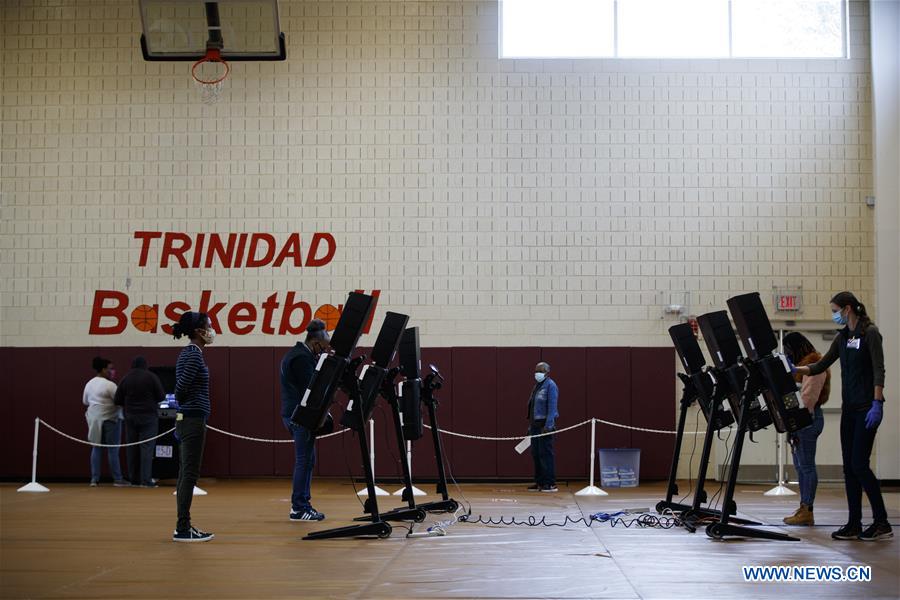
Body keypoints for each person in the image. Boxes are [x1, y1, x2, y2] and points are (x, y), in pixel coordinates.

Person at [795, 292, 892, 541]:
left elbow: (879, 369)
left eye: (835, 310)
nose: (834, 315)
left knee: (860, 464)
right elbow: (820, 365)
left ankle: (882, 522)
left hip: (866, 410)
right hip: (849, 410)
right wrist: (795, 369)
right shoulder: (843, 337)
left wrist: (877, 402)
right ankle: (854, 523)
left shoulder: (870, 333)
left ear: (848, 309)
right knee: (849, 468)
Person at [280, 319, 331, 521]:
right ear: (316, 343)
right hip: (298, 416)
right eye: (323, 348)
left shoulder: (298, 353)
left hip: (295, 414)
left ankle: (303, 504)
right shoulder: (301, 358)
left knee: (308, 460)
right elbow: (311, 389)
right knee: (304, 461)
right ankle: (299, 507)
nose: (323, 352)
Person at [171, 312, 216, 542]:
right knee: (189, 474)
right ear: (199, 331)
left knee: (186, 473)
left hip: (190, 417)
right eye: (208, 326)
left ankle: (184, 525)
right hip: (192, 419)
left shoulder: (191, 353)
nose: (211, 329)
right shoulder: (193, 355)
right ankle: (182, 528)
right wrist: (190, 404)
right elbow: (181, 388)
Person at [781, 332, 830, 526]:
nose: (788, 354)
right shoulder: (804, 367)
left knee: (807, 466)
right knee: (801, 467)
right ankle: (803, 507)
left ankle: (807, 509)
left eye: (789, 350)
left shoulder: (815, 364)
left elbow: (808, 398)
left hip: (808, 419)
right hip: (802, 419)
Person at [114, 356, 165, 488]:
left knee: (132, 448)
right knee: (147, 448)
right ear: (145, 365)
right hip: (148, 417)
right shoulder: (151, 376)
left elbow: (117, 399)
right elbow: (161, 396)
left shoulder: (126, 378)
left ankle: (134, 479)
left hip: (130, 417)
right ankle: (146, 480)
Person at [84, 357, 128, 487]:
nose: (112, 371)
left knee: (96, 448)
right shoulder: (110, 385)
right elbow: (120, 400)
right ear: (103, 369)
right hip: (111, 419)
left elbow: (85, 401)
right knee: (112, 449)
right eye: (110, 369)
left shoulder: (89, 383)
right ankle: (118, 479)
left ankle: (94, 479)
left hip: (94, 420)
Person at [527, 362, 559, 493]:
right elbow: (533, 406)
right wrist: (530, 426)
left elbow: (552, 407)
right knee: (535, 453)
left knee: (545, 454)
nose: (537, 373)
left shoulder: (551, 386)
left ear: (547, 372)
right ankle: (539, 482)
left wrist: (549, 425)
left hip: (545, 425)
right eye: (536, 370)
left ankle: (550, 483)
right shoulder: (537, 386)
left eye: (540, 370)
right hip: (534, 425)